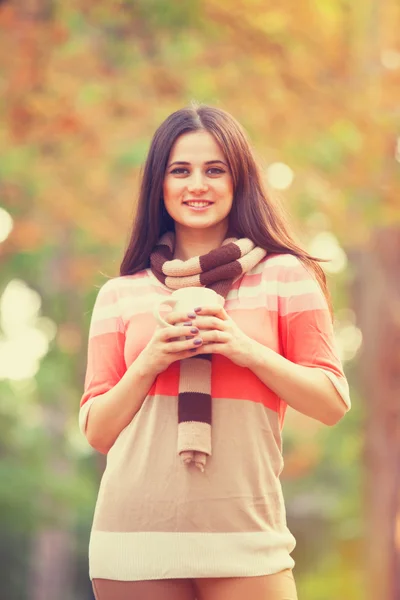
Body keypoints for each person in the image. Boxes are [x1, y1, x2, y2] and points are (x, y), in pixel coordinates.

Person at [79, 103, 351, 600]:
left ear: (238, 179)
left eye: (215, 169)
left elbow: (331, 400)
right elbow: (98, 430)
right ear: (159, 185)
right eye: (180, 170)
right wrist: (151, 360)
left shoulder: (287, 277)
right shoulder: (120, 294)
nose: (197, 185)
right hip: (132, 543)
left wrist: (243, 349)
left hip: (248, 538)